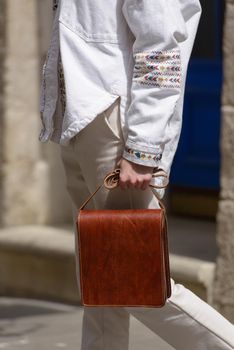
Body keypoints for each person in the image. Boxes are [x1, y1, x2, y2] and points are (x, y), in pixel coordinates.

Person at [39, 0, 234, 349]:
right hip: (79, 119)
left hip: (112, 123)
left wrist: (142, 150)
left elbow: (162, 42)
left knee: (139, 277)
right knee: (100, 272)